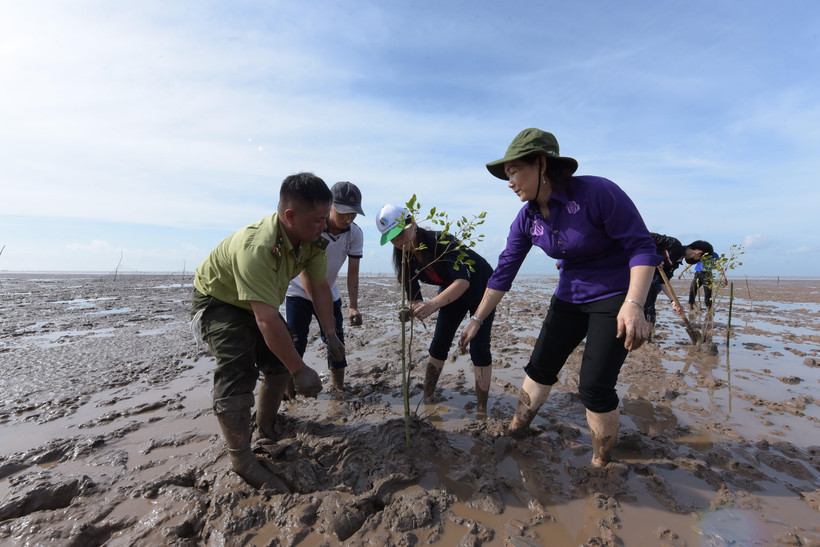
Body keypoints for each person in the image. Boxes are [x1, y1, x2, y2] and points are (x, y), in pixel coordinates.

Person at [459, 128, 659, 467]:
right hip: (569, 295)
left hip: (615, 295)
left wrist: (634, 304)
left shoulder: (598, 193)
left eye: (513, 172)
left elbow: (642, 246)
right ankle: (516, 431)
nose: (510, 182)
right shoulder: (527, 219)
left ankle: (600, 463)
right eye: (507, 175)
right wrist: (477, 320)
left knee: (594, 387)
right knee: (539, 368)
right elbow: (503, 273)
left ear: (541, 164)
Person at [191, 172, 344, 490]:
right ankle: (241, 459)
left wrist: (330, 334)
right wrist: (299, 369)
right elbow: (266, 321)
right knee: (238, 367)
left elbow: (319, 287)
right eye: (318, 220)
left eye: (324, 218)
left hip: (259, 304)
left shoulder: (314, 240)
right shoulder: (258, 246)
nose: (324, 226)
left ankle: (266, 425)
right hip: (220, 301)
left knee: (278, 362)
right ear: (290, 216)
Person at [376, 203, 496, 413]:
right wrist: (413, 309)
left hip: (481, 288)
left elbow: (463, 282)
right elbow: (414, 297)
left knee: (479, 347)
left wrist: (432, 304)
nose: (399, 242)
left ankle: (481, 408)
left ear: (413, 223)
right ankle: (427, 397)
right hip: (451, 291)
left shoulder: (441, 241)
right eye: (392, 239)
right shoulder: (404, 258)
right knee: (439, 342)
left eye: (401, 234)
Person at [286, 181, 364, 391]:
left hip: (329, 292)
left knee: (336, 340)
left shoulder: (354, 233)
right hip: (298, 292)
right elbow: (305, 273)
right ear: (330, 206)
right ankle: (288, 393)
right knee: (295, 342)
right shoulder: (314, 229)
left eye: (353, 213)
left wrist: (353, 306)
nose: (348, 218)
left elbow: (353, 272)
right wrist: (319, 305)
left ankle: (339, 389)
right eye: (343, 212)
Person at [643, 234, 714, 324]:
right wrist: (652, 256)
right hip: (633, 273)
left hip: (648, 284)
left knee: (649, 314)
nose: (697, 262)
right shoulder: (673, 244)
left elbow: (663, 282)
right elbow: (645, 236)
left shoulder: (675, 264)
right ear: (699, 253)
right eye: (700, 259)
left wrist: (674, 301)